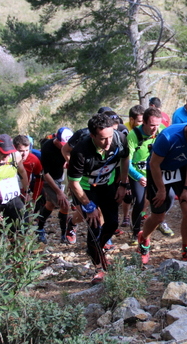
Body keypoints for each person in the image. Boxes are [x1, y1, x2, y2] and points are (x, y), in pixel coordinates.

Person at [137, 113, 187, 264]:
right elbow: (154, 164)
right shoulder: (169, 137)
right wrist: (161, 190)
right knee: (158, 216)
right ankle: (144, 239)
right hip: (159, 170)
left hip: (181, 168)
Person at [67, 113, 130, 284]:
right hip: (86, 189)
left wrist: (124, 184)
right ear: (92, 135)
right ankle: (98, 266)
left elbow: (125, 159)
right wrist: (89, 206)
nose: (108, 143)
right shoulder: (81, 151)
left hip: (107, 184)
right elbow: (73, 183)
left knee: (112, 223)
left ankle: (96, 248)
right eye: (102, 139)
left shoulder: (119, 139)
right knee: (94, 225)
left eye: (110, 137)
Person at [125, 107, 166, 242]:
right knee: (139, 202)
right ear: (144, 123)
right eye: (152, 125)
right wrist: (138, 177)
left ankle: (159, 221)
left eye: (157, 125)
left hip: (154, 172)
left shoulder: (161, 132)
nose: (155, 128)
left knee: (160, 198)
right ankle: (135, 232)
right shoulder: (133, 136)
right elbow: (126, 163)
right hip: (138, 173)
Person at [37, 127, 73, 244]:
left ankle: (39, 228)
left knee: (50, 205)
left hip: (62, 175)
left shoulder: (71, 145)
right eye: (62, 144)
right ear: (56, 139)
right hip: (50, 179)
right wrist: (59, 192)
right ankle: (64, 234)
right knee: (64, 205)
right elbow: (45, 173)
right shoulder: (47, 147)